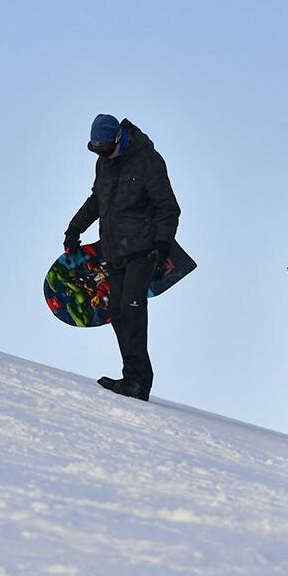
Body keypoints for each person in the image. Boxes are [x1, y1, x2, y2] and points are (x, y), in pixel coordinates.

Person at [64, 114, 181, 401]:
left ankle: (139, 382)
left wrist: (163, 248)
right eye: (96, 150)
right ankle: (132, 376)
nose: (102, 154)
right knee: (116, 312)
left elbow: (168, 207)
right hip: (115, 250)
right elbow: (96, 201)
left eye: (105, 148)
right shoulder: (104, 163)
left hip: (144, 250)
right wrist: (74, 229)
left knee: (132, 311)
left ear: (119, 138)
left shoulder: (148, 161)